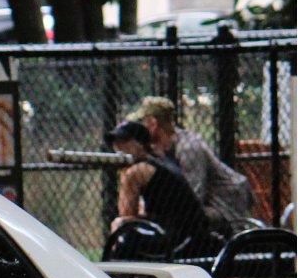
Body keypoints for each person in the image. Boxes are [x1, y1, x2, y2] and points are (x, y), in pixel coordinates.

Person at [127, 96, 254, 233]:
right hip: (202, 205)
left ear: (153, 124)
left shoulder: (188, 148)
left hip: (222, 205)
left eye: (142, 122)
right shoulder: (158, 149)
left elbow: (193, 198)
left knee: (177, 219)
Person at [108, 120, 221, 258]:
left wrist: (124, 177)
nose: (118, 147)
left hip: (179, 237)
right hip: (193, 232)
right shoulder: (161, 160)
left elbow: (127, 215)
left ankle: (113, 269)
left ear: (140, 144)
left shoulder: (136, 171)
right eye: (115, 142)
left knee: (120, 225)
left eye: (124, 141)